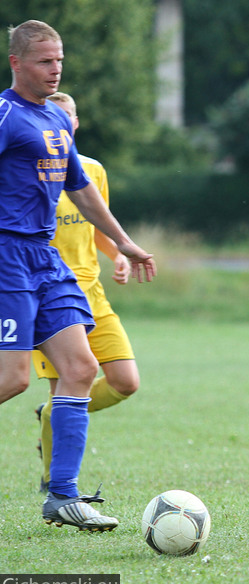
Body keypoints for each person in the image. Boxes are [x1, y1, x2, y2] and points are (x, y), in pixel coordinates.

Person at [2, 20, 156, 532]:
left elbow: (83, 190)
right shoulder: (3, 116)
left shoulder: (56, 122)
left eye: (60, 61)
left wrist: (126, 243)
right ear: (17, 63)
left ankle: (62, 497)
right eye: (45, 61)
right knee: (13, 380)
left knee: (81, 369)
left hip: (46, 258)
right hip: (6, 255)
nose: (55, 70)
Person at [32, 91, 140, 495]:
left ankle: (50, 416)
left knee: (125, 381)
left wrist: (119, 254)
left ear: (73, 125)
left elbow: (97, 223)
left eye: (65, 120)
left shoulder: (93, 170)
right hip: (50, 297)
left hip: (92, 293)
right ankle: (55, 484)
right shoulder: (29, 172)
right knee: (69, 382)